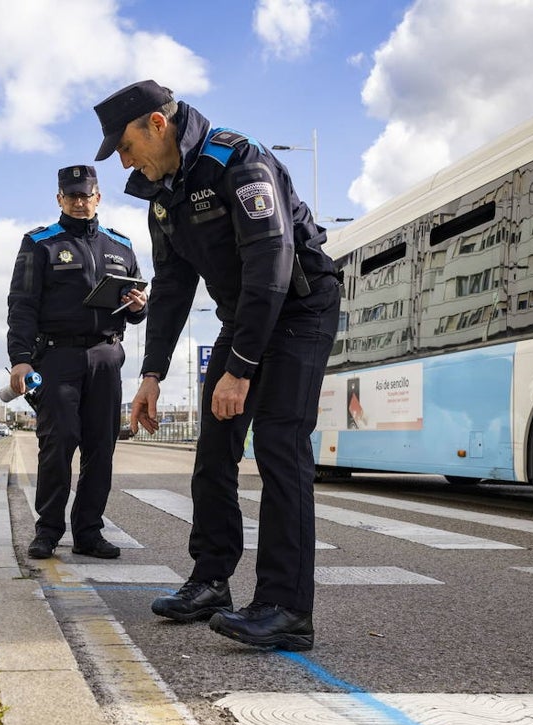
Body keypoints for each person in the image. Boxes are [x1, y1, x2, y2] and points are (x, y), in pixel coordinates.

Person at [92, 80, 341, 651]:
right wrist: (151, 374)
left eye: (125, 146)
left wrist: (242, 365)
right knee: (214, 450)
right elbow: (174, 288)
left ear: (157, 124)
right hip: (244, 315)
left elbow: (271, 260)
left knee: (279, 445)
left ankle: (285, 608)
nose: (124, 161)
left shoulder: (240, 162)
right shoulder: (163, 195)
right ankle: (210, 581)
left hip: (300, 305)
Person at [6, 165, 147, 561]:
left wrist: (139, 307)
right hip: (57, 357)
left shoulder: (121, 245)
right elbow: (21, 305)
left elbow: (135, 303)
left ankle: (89, 532)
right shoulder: (40, 243)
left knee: (101, 447)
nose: (80, 202)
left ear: (98, 197)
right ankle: (47, 531)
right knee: (59, 440)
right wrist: (20, 359)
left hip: (106, 356)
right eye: (72, 196)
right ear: (60, 199)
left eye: (86, 195)